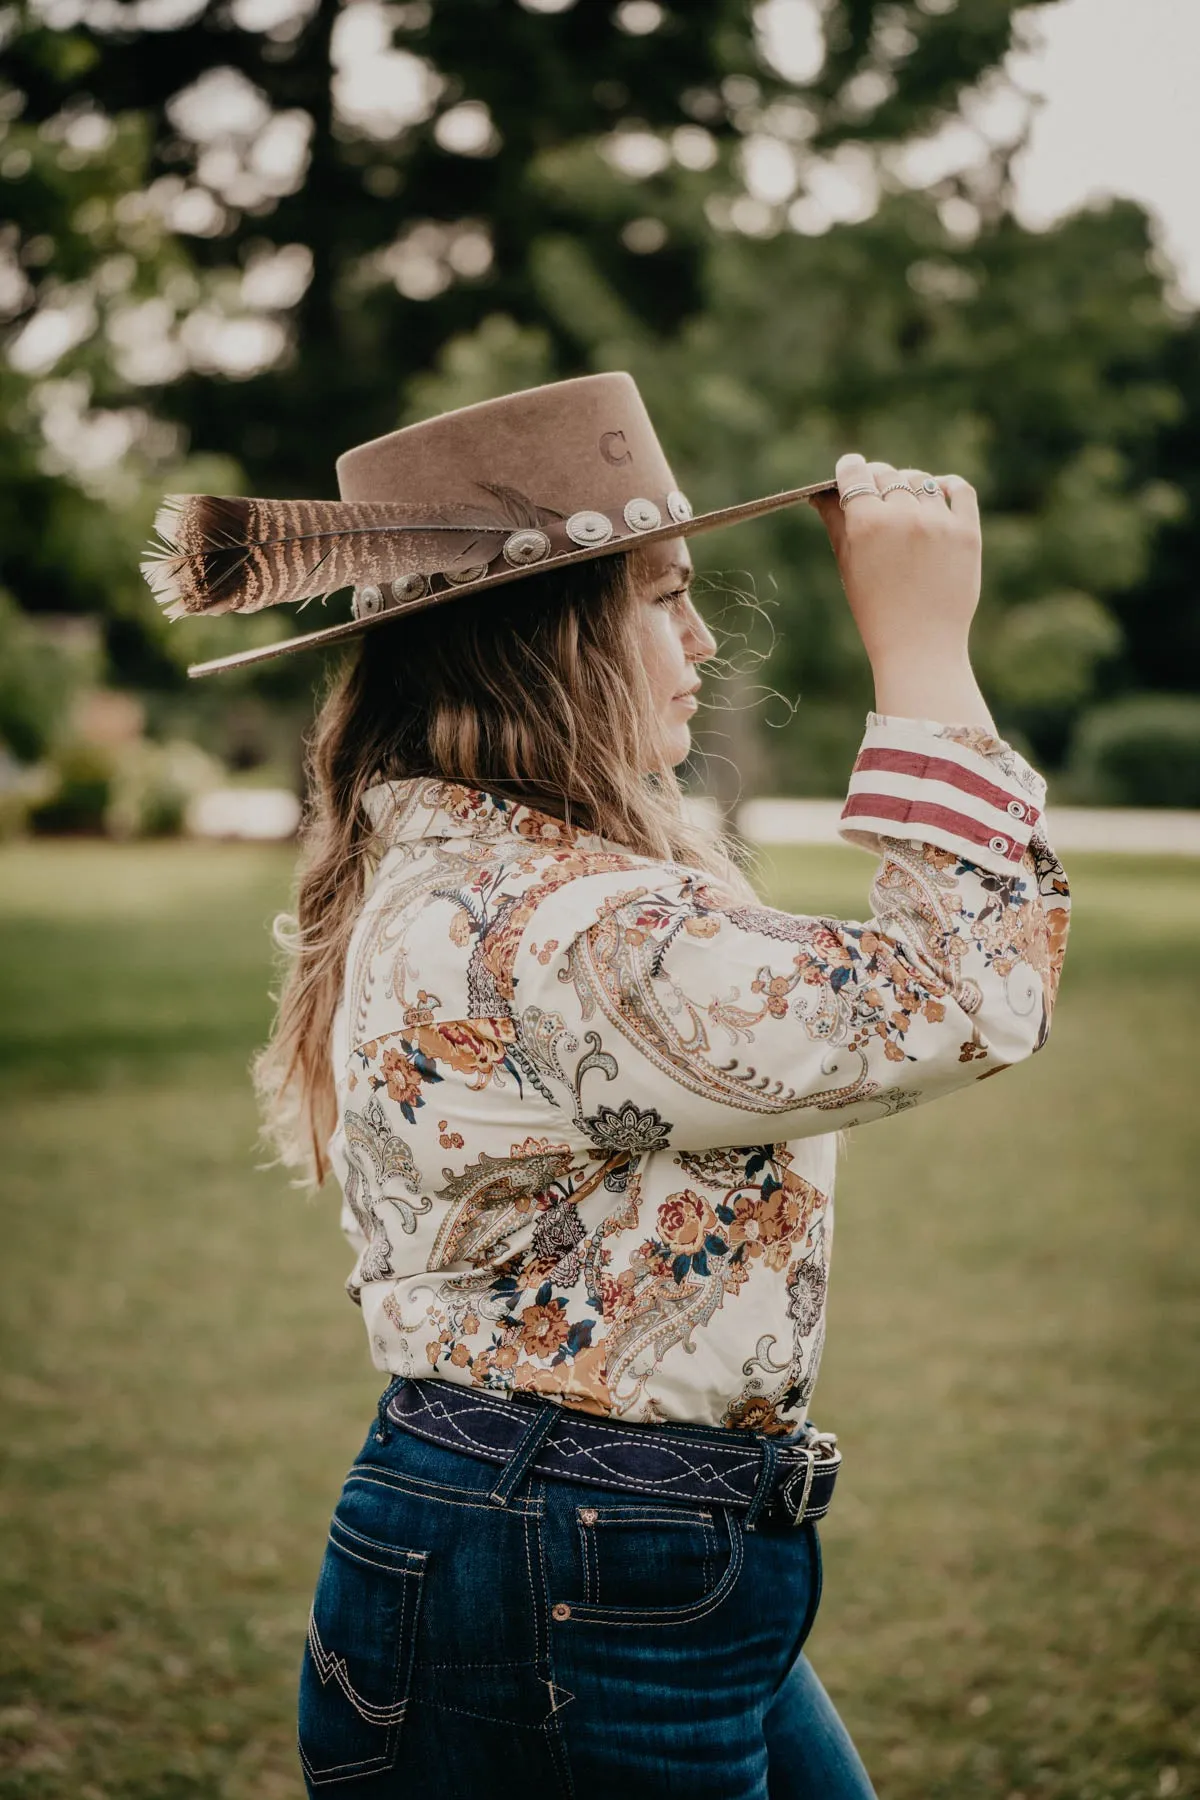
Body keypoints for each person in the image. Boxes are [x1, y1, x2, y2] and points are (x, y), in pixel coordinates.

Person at [143, 373, 1070, 1798]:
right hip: (566, 1576)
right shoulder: (560, 931)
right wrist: (930, 660)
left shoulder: (501, 881)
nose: (701, 640)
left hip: (602, 1556)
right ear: (544, 640)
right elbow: (963, 992)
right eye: (661, 598)